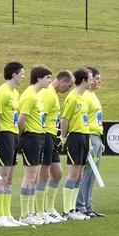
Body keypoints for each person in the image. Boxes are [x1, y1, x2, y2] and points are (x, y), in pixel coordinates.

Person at [16, 64, 52, 225]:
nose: (50, 81)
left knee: (35, 176)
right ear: (39, 78)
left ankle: (30, 212)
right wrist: (24, 137)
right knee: (30, 176)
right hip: (31, 137)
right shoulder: (29, 96)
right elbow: (21, 121)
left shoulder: (37, 95)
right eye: (48, 78)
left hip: (39, 136)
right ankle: (24, 214)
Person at [0, 61, 25, 227]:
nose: (23, 77)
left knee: (10, 177)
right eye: (21, 74)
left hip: (13, 135)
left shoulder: (15, 93)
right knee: (2, 175)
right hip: (4, 135)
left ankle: (7, 214)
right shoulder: (2, 93)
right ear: (14, 74)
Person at [36, 70, 72, 223]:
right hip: (46, 136)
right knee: (43, 175)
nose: (68, 89)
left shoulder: (53, 94)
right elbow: (41, 114)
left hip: (52, 137)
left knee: (57, 174)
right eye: (68, 86)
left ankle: (49, 209)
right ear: (62, 81)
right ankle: (39, 211)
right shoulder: (48, 93)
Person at [60, 67, 92, 221]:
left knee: (79, 174)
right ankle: (67, 210)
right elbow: (65, 119)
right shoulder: (72, 98)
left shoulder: (83, 98)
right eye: (90, 78)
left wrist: (89, 141)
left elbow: (85, 120)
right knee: (73, 174)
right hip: (75, 137)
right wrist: (64, 138)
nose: (92, 81)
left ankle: (73, 208)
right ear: (84, 80)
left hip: (84, 137)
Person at [77, 66, 105, 218]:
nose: (98, 82)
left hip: (96, 137)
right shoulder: (86, 96)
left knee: (92, 174)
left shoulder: (93, 95)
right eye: (96, 79)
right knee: (86, 173)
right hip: (89, 136)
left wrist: (99, 140)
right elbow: (84, 119)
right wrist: (88, 139)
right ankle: (80, 206)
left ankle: (88, 205)